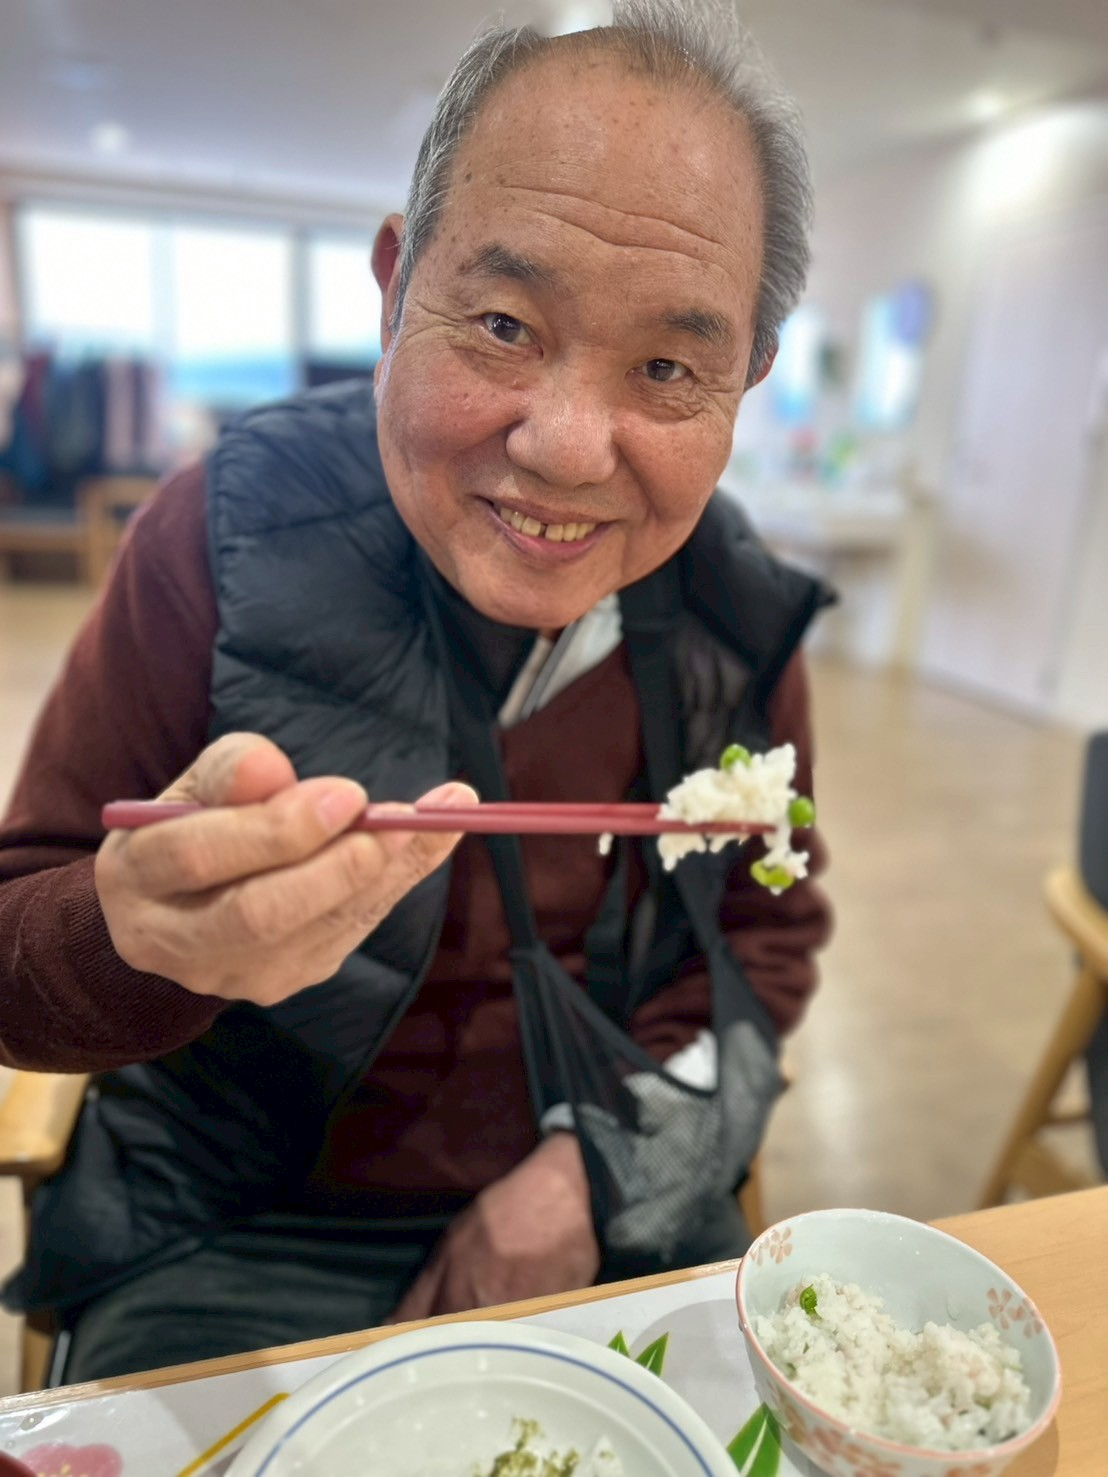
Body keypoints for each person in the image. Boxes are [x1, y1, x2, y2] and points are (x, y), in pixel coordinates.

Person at [0, 0, 833, 1382]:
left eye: (668, 367)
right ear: (395, 287)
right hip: (231, 1224)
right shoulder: (219, 534)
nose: (567, 448)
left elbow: (766, 946)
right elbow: (15, 949)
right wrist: (135, 936)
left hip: (596, 1201)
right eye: (503, 322)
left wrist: (593, 1170)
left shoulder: (737, 620)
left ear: (745, 378)